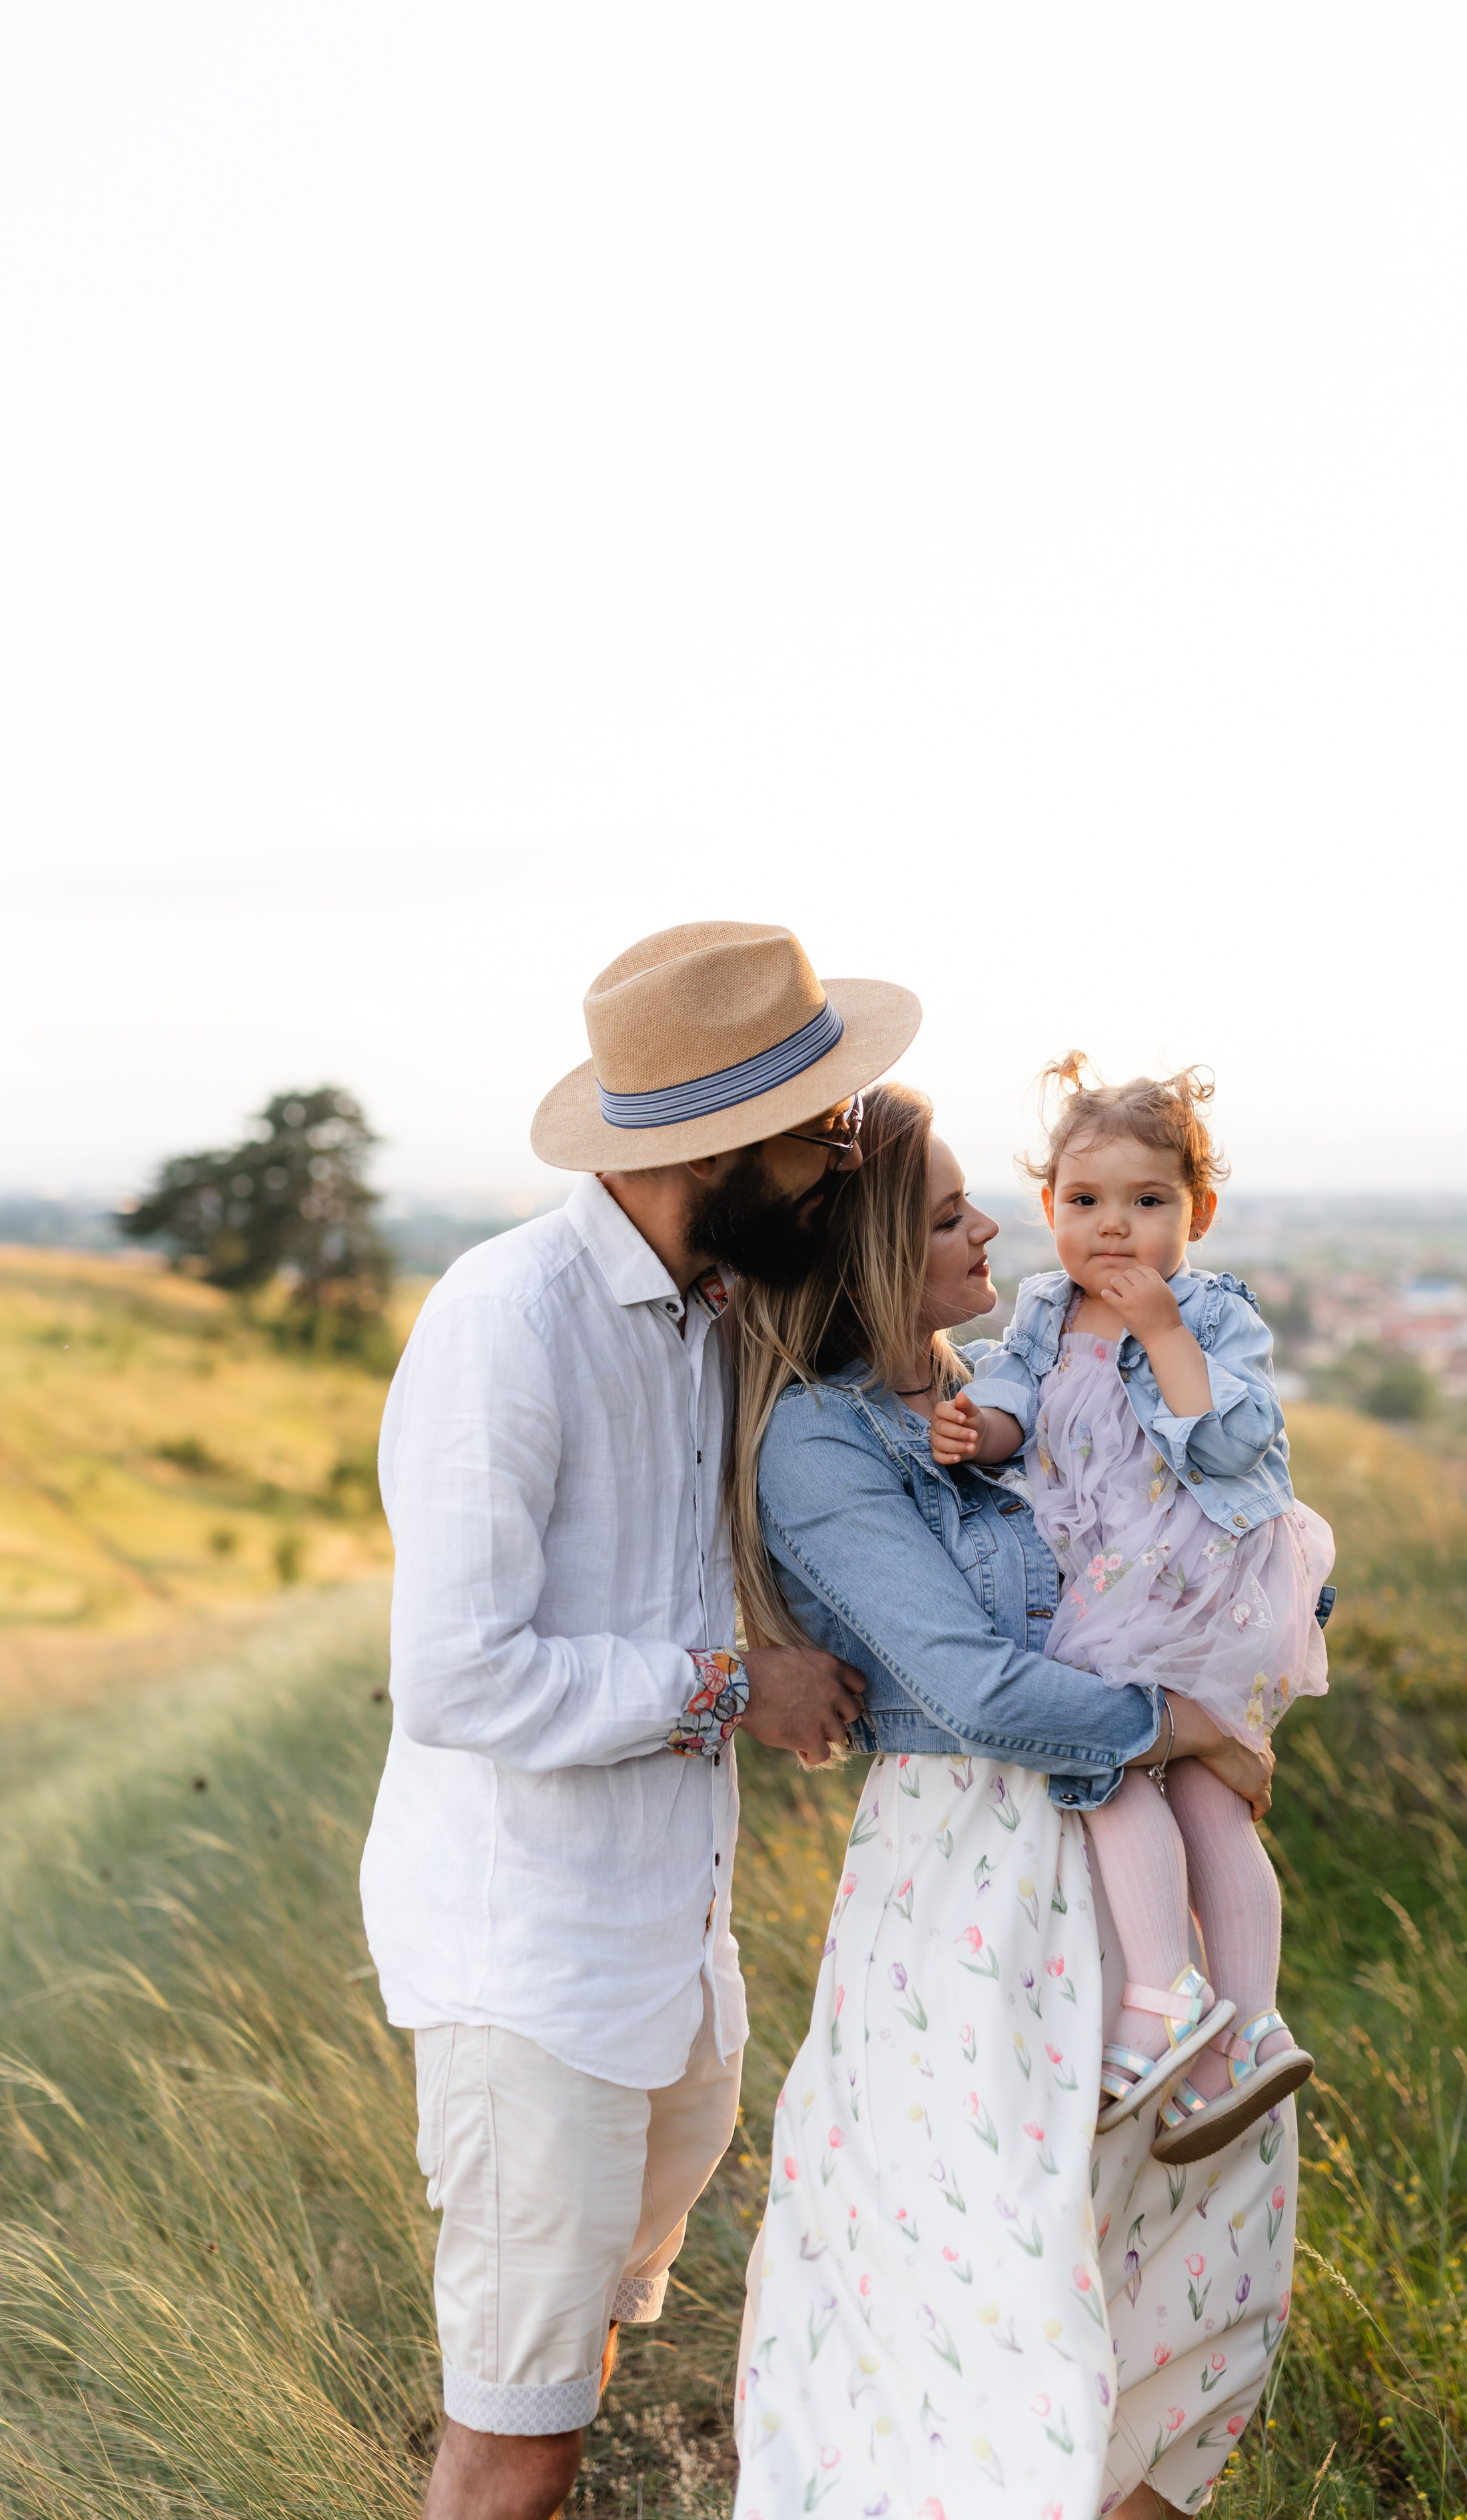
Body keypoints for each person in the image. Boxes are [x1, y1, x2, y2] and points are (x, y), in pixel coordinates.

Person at [360, 919, 921, 2520]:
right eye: (823, 1129)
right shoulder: (507, 1320)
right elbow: (459, 1676)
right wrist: (735, 1687)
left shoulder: (714, 1308)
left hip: (667, 1960)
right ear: (718, 1147)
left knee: (586, 2365)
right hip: (533, 1978)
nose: (843, 1157)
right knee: (514, 2441)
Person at [728, 1083, 1297, 2520]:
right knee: (999, 2277)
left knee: (1196, 2260)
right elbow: (975, 1688)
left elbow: (1190, 1528)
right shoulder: (822, 1443)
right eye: (943, 1217)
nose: (991, 1228)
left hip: (1128, 1854)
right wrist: (1179, 1723)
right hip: (974, 1877)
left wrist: (1238, 1651)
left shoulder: (1019, 1379)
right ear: (865, 1254)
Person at [933, 1054, 1333, 2164]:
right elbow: (1015, 1406)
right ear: (1049, 1209)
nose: (1114, 1228)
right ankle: (1250, 2036)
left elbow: (1232, 1444)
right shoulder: (1044, 1310)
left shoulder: (1212, 1313)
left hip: (1195, 1573)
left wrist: (1164, 1333)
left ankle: (1165, 1994)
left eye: (1148, 1202)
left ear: (1198, 1214)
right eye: (1086, 1201)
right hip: (1115, 1573)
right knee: (1201, 1785)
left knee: (1101, 1752)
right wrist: (980, 1431)